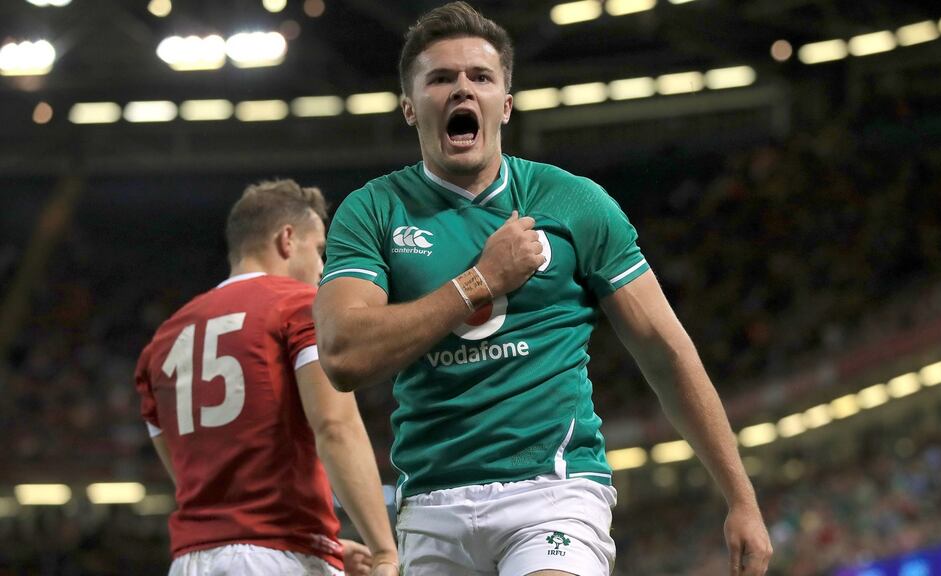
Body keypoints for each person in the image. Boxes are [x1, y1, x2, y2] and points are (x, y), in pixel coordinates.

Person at [313, 2, 772, 575]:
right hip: (431, 503)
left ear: (504, 105)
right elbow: (342, 354)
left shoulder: (573, 202)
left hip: (552, 492)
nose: (462, 90)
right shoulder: (372, 210)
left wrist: (741, 497)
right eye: (440, 79)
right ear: (410, 107)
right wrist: (481, 281)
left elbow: (665, 349)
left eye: (480, 78)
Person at [134, 180, 399, 576]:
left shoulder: (163, 340)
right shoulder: (297, 305)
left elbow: (186, 471)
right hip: (276, 556)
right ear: (287, 239)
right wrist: (383, 552)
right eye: (320, 250)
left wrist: (324, 543)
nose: (324, 268)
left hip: (192, 560)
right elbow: (334, 426)